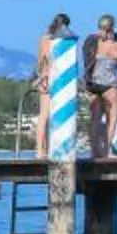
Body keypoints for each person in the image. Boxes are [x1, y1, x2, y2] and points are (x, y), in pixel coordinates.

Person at [83, 14, 117, 154]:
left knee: (95, 118)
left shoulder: (94, 43)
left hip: (94, 83)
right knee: (112, 117)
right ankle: (106, 150)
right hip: (110, 85)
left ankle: (94, 151)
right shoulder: (116, 46)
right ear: (112, 28)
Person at [31, 13, 72, 156]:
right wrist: (43, 75)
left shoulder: (44, 38)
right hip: (50, 77)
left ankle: (44, 148)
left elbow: (40, 59)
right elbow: (43, 58)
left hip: (48, 76)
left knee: (46, 115)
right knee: (45, 115)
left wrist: (40, 74)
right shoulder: (54, 40)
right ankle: (41, 149)